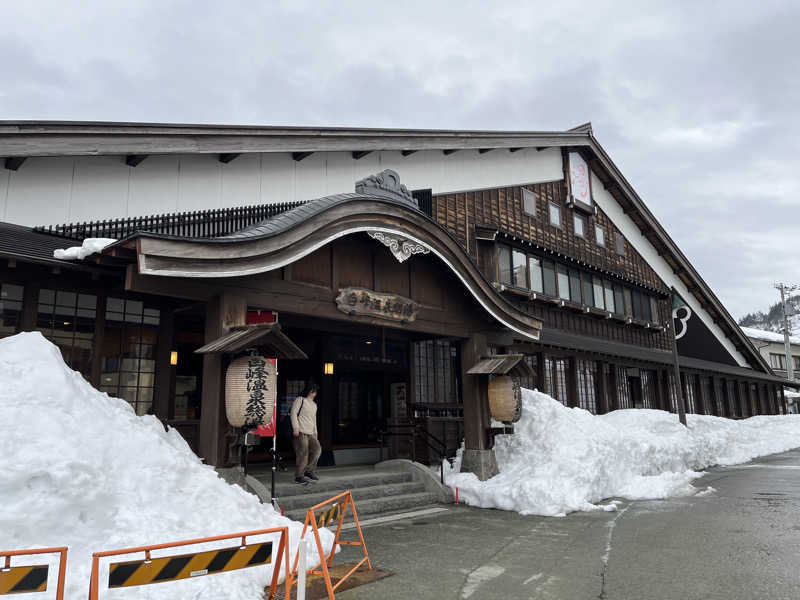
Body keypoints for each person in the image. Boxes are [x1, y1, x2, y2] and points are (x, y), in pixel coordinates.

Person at [290, 383, 321, 484]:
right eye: (312, 391)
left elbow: (314, 420)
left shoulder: (314, 404)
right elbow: (293, 413)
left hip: (311, 432)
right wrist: (295, 427)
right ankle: (299, 476)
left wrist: (315, 433)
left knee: (317, 450)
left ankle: (309, 471)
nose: (314, 393)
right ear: (308, 391)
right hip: (301, 431)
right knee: (303, 453)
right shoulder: (300, 400)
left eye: (315, 391)